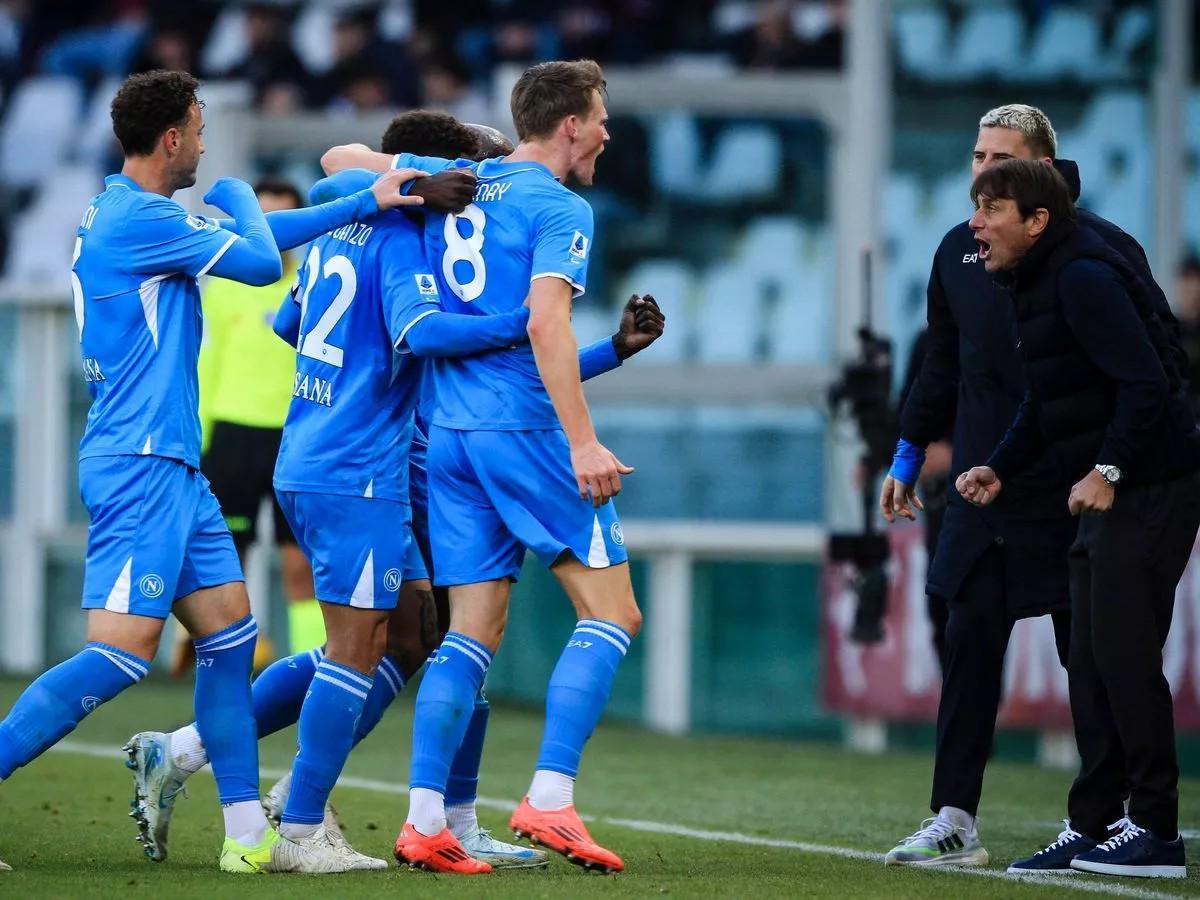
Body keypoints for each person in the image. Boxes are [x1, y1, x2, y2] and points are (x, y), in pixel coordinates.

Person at [124, 110, 665, 872]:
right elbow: (433, 338)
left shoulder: (348, 223)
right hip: (372, 464)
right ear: (435, 181)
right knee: (402, 641)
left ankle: (194, 753)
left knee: (416, 636)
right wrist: (516, 325)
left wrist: (600, 350)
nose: (478, 192)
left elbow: (292, 321)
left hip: (349, 450)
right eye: (469, 177)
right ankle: (306, 813)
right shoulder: (408, 239)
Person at [328, 60, 639, 875]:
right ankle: (550, 798)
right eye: (600, 118)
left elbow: (339, 159)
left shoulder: (463, 179)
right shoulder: (560, 207)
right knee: (612, 614)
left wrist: (415, 179)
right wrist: (582, 441)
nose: (607, 132)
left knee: (470, 631)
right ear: (570, 125)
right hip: (524, 427)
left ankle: (425, 820)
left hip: (451, 436)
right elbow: (545, 324)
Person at [0, 69, 281, 874]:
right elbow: (263, 262)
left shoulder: (131, 213)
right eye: (199, 131)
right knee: (123, 652)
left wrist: (369, 205)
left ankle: (247, 836)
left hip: (174, 466)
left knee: (230, 636)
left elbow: (266, 239)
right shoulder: (142, 219)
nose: (204, 147)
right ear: (172, 138)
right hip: (139, 462)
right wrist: (243, 197)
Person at [879, 104, 1173, 868]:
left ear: (1040, 172)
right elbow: (941, 361)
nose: (981, 171)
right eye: (976, 157)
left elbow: (1151, 366)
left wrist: (1117, 468)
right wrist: (908, 452)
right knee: (968, 638)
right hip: (989, 481)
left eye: (998, 160)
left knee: (1093, 659)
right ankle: (953, 818)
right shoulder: (957, 252)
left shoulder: (1097, 253)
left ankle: (1106, 818)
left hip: (1076, 483)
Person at [959, 159, 1200, 879]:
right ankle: (1094, 824)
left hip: (1153, 485)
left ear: (1037, 221)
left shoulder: (1084, 277)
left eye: (992, 209)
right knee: (1090, 659)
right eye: (977, 206)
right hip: (1115, 488)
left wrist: (1109, 470)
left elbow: (1148, 384)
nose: (976, 223)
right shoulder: (1035, 279)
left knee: (1124, 653)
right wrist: (1002, 465)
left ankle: (1155, 830)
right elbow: (1050, 396)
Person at [195, 177, 320, 667]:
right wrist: (199, 437)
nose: (267, 229)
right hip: (232, 435)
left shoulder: (312, 283)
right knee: (228, 559)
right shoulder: (224, 287)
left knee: (300, 562)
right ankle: (225, 656)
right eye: (259, 218)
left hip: (294, 435)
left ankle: (310, 664)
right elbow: (206, 364)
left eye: (279, 219)